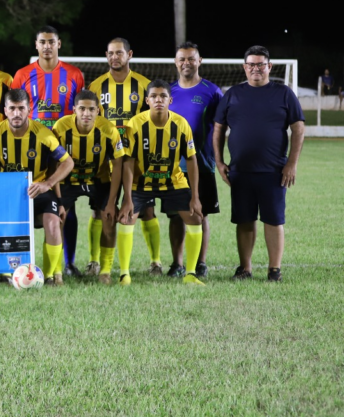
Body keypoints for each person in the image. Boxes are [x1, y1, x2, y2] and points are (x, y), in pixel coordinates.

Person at [213, 46, 305, 282]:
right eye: (251, 64)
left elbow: (298, 128)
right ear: (245, 67)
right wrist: (219, 161)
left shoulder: (284, 93)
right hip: (241, 171)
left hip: (274, 171)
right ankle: (245, 268)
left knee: (273, 220)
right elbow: (218, 129)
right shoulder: (232, 94)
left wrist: (292, 163)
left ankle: (274, 270)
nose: (256, 68)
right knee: (244, 220)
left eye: (260, 64)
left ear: (269, 67)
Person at [11, 27, 86, 278]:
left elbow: (80, 110)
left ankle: (69, 262)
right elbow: (14, 110)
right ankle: (22, 266)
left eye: (51, 42)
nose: (46, 46)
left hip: (64, 149)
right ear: (36, 45)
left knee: (68, 205)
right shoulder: (22, 74)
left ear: (59, 44)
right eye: (42, 42)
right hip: (34, 150)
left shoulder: (74, 75)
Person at [116, 80, 205, 285]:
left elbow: (191, 160)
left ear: (170, 100)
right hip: (141, 183)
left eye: (163, 96)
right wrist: (127, 198)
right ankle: (124, 274)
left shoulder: (181, 124)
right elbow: (127, 162)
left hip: (173, 182)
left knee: (195, 218)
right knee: (126, 219)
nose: (158, 100)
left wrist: (195, 197)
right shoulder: (135, 124)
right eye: (154, 96)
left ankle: (190, 274)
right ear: (147, 101)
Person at [86, 37, 162, 278]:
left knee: (146, 211)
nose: (114, 57)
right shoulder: (96, 86)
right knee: (100, 211)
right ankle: (94, 261)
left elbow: (152, 121)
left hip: (136, 160)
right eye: (110, 53)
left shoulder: (144, 85)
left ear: (130, 54)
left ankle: (155, 262)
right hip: (104, 161)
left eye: (119, 53)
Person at [0, 89, 73, 284]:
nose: (17, 113)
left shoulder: (43, 134)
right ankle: (4, 270)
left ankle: (51, 275)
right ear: (5, 110)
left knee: (52, 221)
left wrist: (47, 184)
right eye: (12, 109)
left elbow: (68, 162)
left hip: (38, 192)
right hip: (9, 195)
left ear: (29, 109)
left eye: (21, 108)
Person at [52, 91, 125, 283]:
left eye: (91, 109)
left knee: (109, 219)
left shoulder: (109, 130)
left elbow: (118, 165)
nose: (86, 113)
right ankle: (57, 273)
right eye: (82, 109)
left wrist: (112, 201)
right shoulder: (60, 127)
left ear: (98, 111)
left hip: (98, 181)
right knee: (57, 220)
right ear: (74, 109)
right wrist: (58, 201)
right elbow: (54, 164)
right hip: (68, 181)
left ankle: (105, 271)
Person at [168, 42, 223, 278]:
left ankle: (200, 263)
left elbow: (221, 127)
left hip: (202, 163)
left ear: (199, 61)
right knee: (174, 215)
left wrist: (217, 158)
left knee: (201, 213)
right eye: (182, 59)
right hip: (172, 166)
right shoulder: (168, 93)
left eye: (191, 59)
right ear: (175, 62)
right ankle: (177, 263)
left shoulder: (212, 91)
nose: (186, 63)